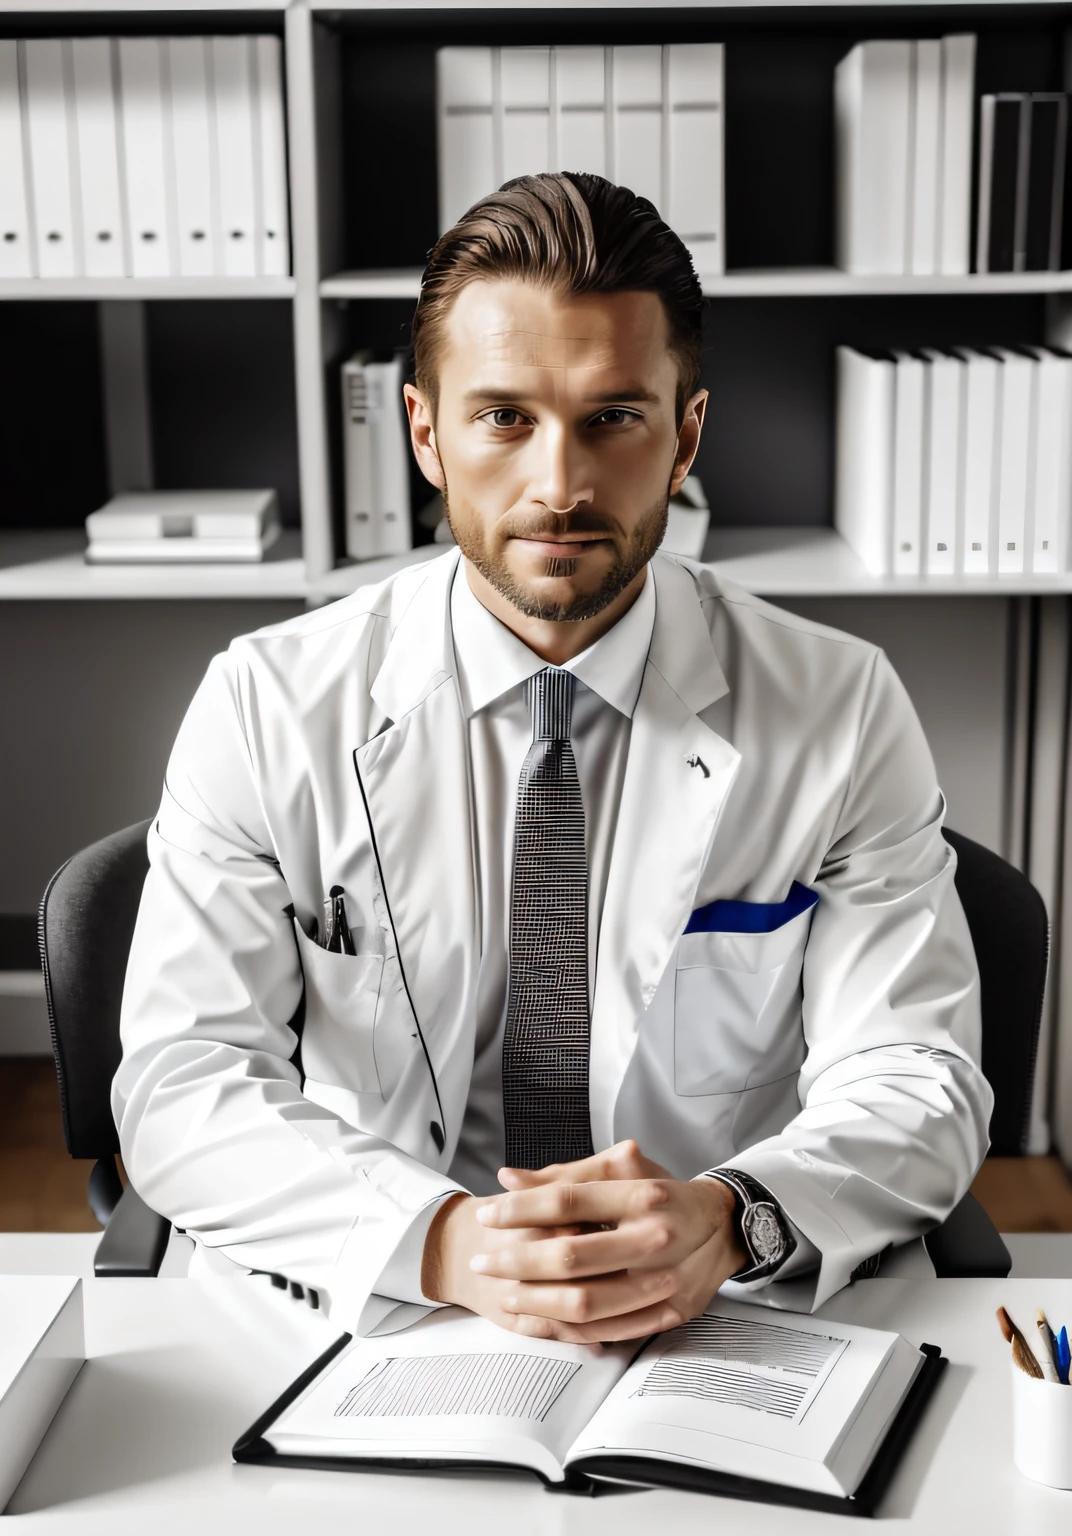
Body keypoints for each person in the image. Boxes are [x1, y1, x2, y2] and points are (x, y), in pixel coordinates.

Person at [112, 172, 992, 1344]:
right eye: (503, 417)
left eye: (613, 417)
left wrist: (737, 1220)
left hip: (714, 1313)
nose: (560, 486)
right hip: (381, 1290)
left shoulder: (839, 703)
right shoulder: (269, 701)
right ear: (425, 431)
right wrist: (444, 1242)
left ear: (685, 434)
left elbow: (916, 1075)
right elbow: (184, 1080)